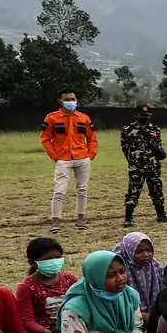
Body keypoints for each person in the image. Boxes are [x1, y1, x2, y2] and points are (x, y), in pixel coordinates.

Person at [41, 88, 97, 234]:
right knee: (59, 190)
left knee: (82, 190)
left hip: (82, 158)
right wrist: (55, 156)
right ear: (61, 101)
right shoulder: (52, 118)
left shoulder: (84, 118)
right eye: (67, 99)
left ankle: (80, 219)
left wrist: (90, 154)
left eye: (73, 99)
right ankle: (55, 221)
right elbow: (45, 139)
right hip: (63, 159)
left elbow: (92, 138)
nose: (71, 102)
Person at [15, 237, 78, 333]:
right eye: (47, 259)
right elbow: (27, 321)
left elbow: (82, 303)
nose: (54, 261)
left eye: (58, 257)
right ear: (32, 263)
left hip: (72, 325)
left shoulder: (70, 279)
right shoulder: (26, 287)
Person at [121, 103, 167, 227]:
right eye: (142, 115)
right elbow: (125, 148)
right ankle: (128, 217)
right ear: (136, 115)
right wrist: (133, 160)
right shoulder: (128, 129)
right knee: (133, 191)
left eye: (147, 115)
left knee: (157, 190)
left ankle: (161, 215)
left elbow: (158, 146)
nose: (145, 117)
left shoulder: (155, 129)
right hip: (136, 166)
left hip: (153, 165)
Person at [112, 232, 164, 320]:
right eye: (139, 251)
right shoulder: (119, 269)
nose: (146, 255)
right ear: (128, 252)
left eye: (149, 250)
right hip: (127, 316)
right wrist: (142, 315)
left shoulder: (155, 265)